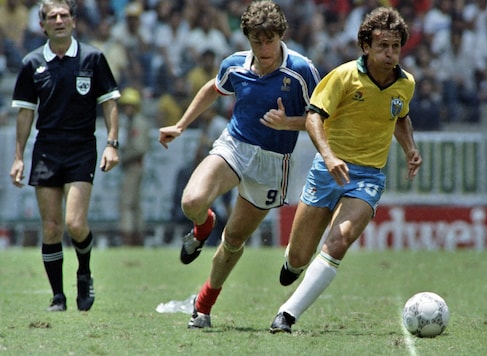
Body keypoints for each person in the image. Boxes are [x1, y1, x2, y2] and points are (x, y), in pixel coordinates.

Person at [158, 0, 320, 329]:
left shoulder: (301, 70)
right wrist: (181, 124)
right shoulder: (235, 65)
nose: (264, 48)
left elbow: (322, 120)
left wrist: (287, 123)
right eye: (257, 41)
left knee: (233, 240)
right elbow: (213, 88)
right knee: (192, 201)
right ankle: (202, 227)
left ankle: (203, 306)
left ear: (281, 36)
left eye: (270, 40)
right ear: (247, 38)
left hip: (272, 163)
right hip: (235, 145)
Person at [269, 6, 422, 334]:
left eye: (395, 46)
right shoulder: (342, 76)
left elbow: (400, 115)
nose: (390, 53)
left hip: (367, 177)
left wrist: (410, 148)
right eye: (383, 46)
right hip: (327, 171)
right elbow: (313, 117)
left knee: (338, 242)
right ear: (366, 46)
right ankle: (294, 264)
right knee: (298, 257)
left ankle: (287, 315)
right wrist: (328, 156)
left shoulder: (405, 84)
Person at [9, 0, 120, 311]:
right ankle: (58, 297)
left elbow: (110, 102)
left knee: (75, 223)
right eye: (51, 17)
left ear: (74, 21)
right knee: (51, 227)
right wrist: (18, 157)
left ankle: (84, 273)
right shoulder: (32, 63)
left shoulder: (93, 58)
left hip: (82, 148)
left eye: (63, 15)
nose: (58, 20)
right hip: (46, 150)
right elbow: (25, 114)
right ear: (42, 24)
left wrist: (112, 143)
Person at [118, 87, 151, 246]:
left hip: (133, 166)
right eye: (125, 106)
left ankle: (129, 237)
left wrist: (123, 158)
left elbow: (139, 148)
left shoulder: (137, 123)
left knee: (127, 203)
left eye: (129, 105)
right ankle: (137, 237)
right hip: (135, 165)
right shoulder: (133, 122)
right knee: (135, 204)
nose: (126, 109)